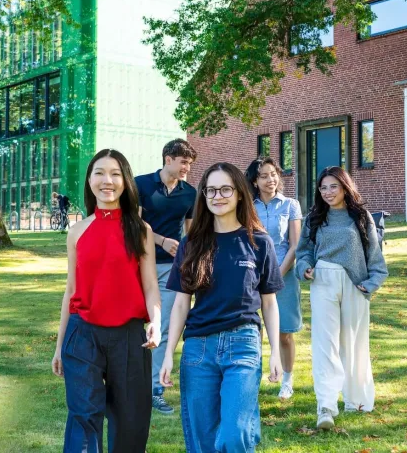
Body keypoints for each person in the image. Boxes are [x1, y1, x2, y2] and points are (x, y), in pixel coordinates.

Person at [160, 162, 283, 453]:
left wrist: (275, 352)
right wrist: (167, 354)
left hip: (243, 345)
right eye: (211, 190)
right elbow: (180, 304)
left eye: (225, 189)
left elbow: (269, 302)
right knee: (202, 440)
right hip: (198, 349)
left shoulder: (259, 242)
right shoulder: (191, 244)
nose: (218, 196)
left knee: (234, 433)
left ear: (240, 193)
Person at [51, 148, 162, 453]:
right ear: (89, 180)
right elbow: (70, 290)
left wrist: (157, 321)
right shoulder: (76, 232)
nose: (107, 180)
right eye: (99, 172)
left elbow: (151, 285)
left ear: (125, 181)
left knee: (130, 422)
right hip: (83, 335)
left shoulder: (140, 231)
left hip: (129, 338)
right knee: (83, 417)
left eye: (115, 173)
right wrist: (60, 346)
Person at [295, 166, 388, 430]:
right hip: (323, 280)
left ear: (345, 187)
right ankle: (325, 406)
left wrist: (371, 283)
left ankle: (357, 400)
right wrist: (305, 268)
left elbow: (375, 256)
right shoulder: (314, 218)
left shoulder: (360, 216)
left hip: (354, 284)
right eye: (323, 187)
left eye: (332, 186)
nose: (327, 192)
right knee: (325, 344)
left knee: (354, 343)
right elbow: (303, 252)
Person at [135, 138, 197, 415]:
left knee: (165, 328)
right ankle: (126, 385)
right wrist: (160, 240)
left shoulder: (191, 193)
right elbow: (133, 224)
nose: (187, 167)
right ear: (167, 159)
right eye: (183, 161)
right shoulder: (141, 184)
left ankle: (153, 391)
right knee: (133, 324)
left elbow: (191, 232)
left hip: (172, 269)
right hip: (137, 264)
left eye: (189, 163)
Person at [246, 157, 303, 400]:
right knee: (252, 330)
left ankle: (287, 381)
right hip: (251, 276)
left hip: (284, 276)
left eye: (274, 174)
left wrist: (276, 277)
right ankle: (252, 379)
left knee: (284, 333)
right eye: (264, 176)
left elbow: (295, 246)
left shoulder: (290, 205)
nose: (271, 180)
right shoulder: (247, 207)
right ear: (255, 181)